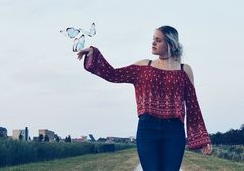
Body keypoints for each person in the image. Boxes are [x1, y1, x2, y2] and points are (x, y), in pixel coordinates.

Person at [77, 25, 212, 170]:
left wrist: (202, 139)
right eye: (153, 39)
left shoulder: (184, 70)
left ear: (170, 44)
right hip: (148, 129)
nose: (153, 43)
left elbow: (193, 106)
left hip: (174, 131)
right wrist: (93, 53)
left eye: (158, 40)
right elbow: (113, 74)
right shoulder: (143, 67)